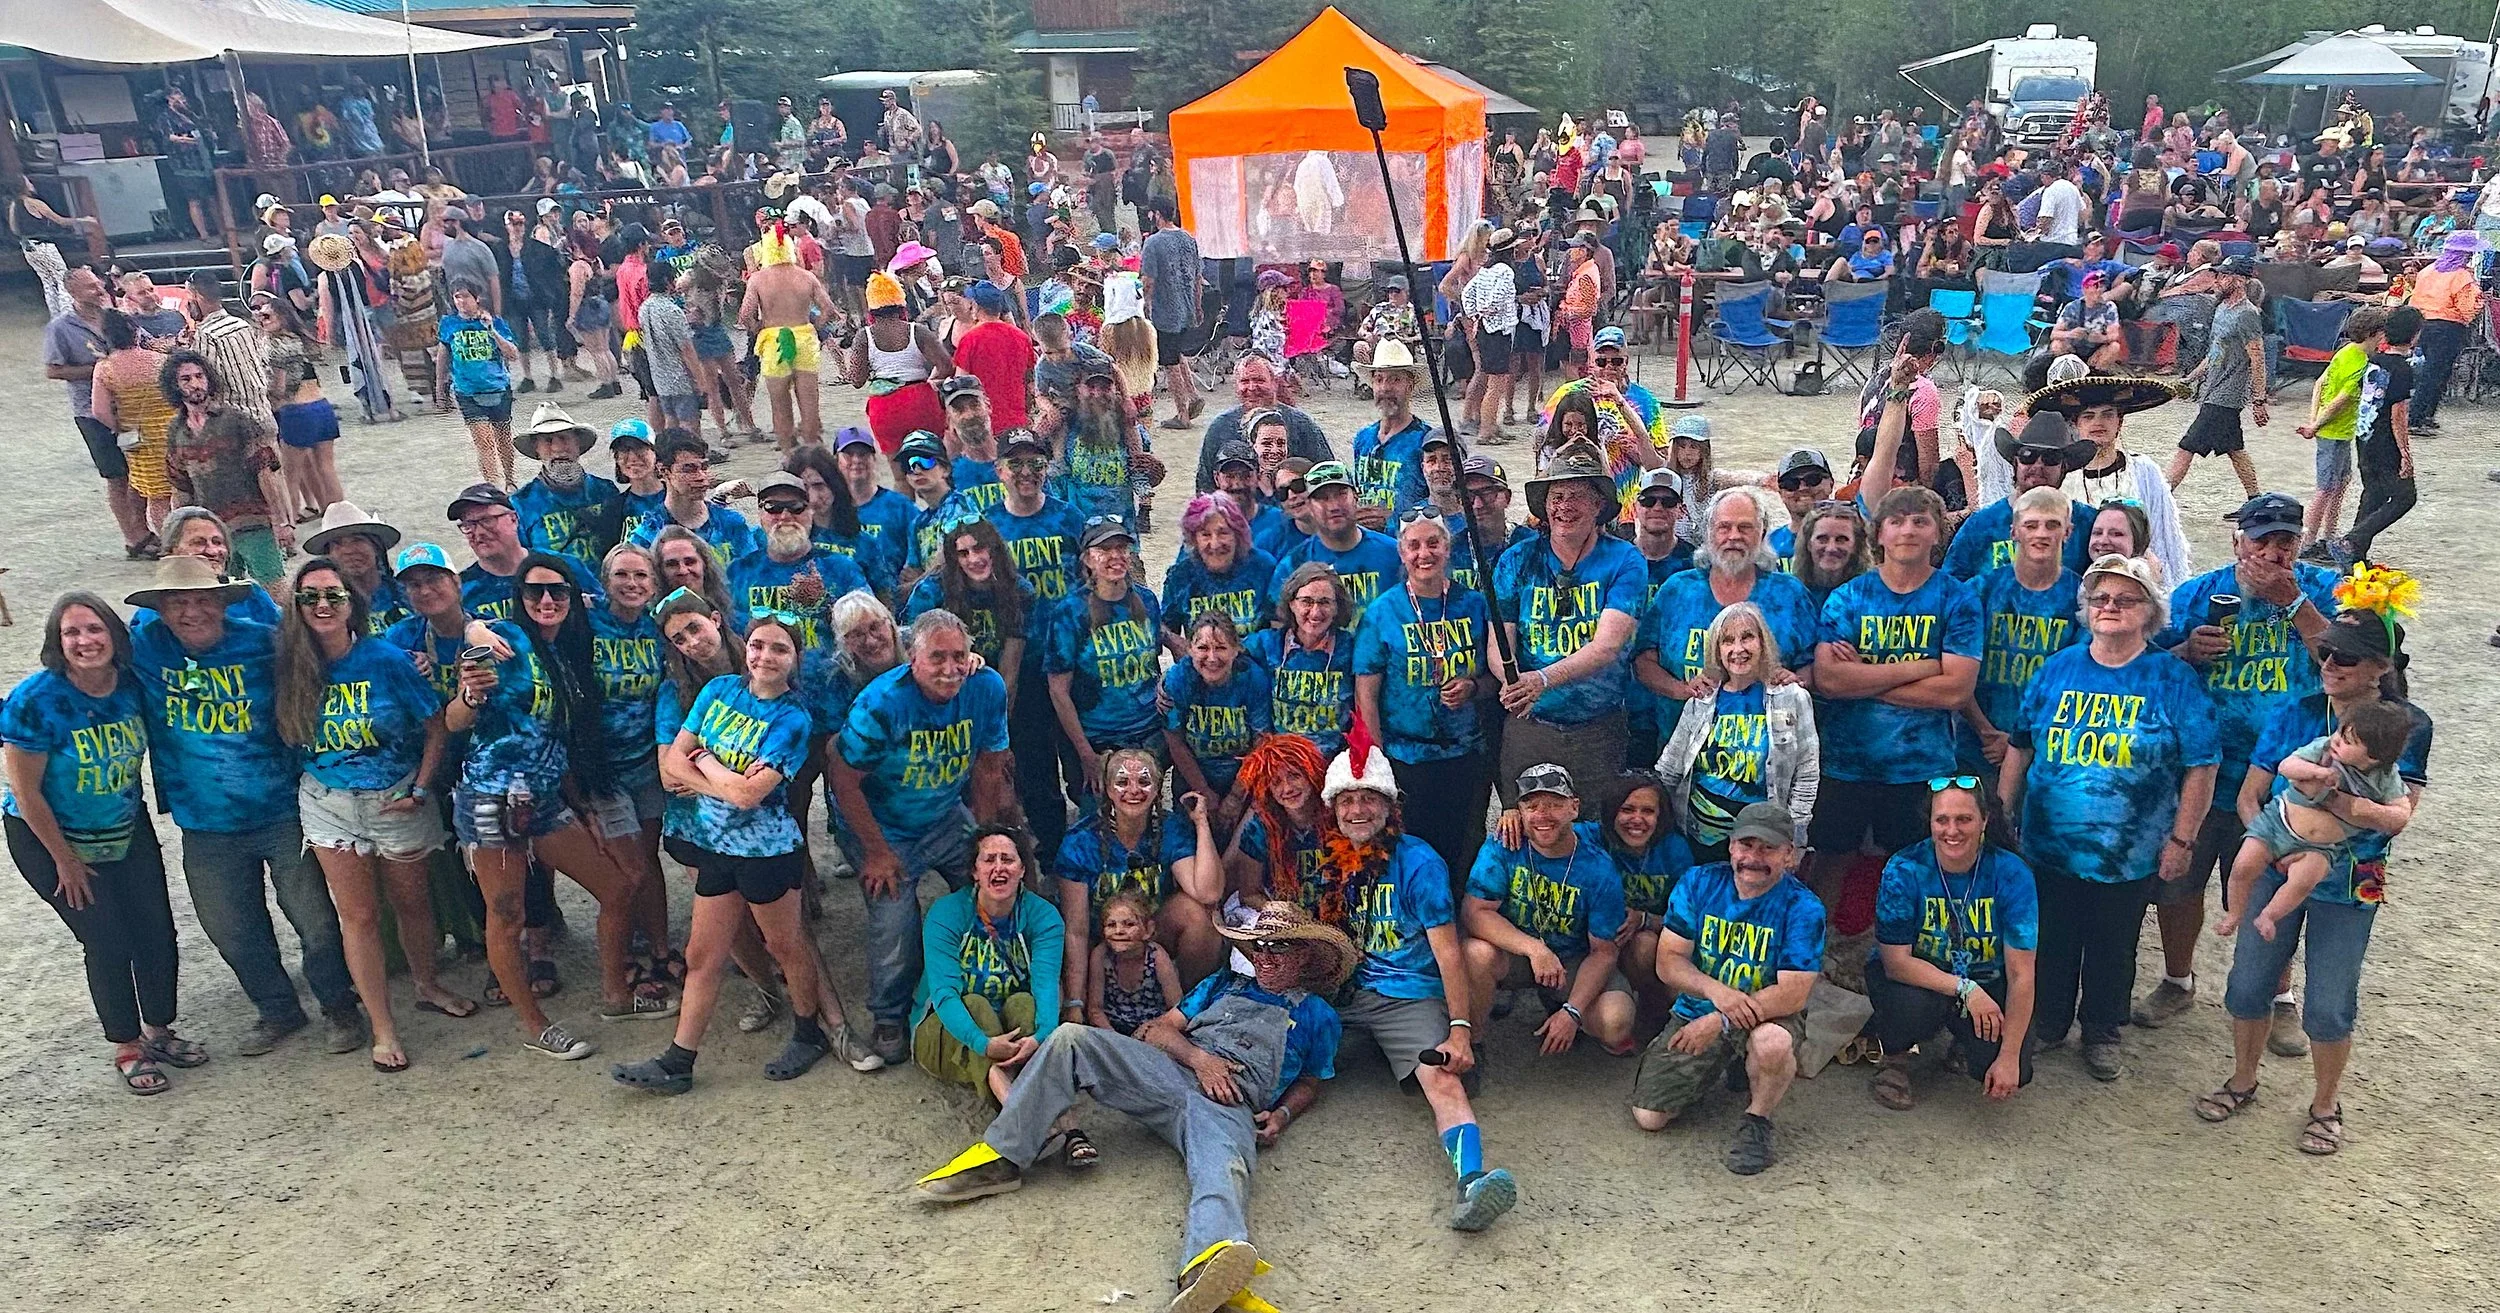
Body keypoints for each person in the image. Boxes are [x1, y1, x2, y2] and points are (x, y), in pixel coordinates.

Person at [915, 901, 1348, 1313]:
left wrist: (1282, 1115)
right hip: (1168, 1071)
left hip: (1230, 1103)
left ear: (1306, 954)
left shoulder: (1319, 1015)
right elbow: (1158, 1031)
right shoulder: (1222, 984)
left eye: (1280, 947)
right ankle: (1003, 1157)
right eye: (1260, 947)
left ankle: (1205, 1265)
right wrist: (1201, 1060)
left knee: (1225, 1168)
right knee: (1071, 1038)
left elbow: (1312, 1079)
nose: (1266, 957)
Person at [2197, 602, 2427, 1155]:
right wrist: (2275, 843)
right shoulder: (2293, 711)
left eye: (2344, 656)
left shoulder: (2408, 725)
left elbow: (2398, 818)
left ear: (2380, 666)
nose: (2328, 662)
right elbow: (2251, 795)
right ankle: (2243, 1079)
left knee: (2329, 999)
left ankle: (2326, 1104)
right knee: (2249, 982)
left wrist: (2327, 799)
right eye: (2325, 650)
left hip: (2353, 879)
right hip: (2280, 865)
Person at [613, 612, 874, 1094]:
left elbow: (751, 796)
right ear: (745, 647)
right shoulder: (718, 693)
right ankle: (678, 1061)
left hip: (767, 852)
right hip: (716, 846)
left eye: (779, 649)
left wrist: (706, 761)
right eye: (758, 645)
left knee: (786, 946)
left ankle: (807, 1031)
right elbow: (672, 764)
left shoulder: (793, 718)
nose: (765, 657)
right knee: (702, 955)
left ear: (794, 659)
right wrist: (722, 779)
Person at [126, 555, 361, 1056]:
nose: (192, 612)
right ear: (160, 611)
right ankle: (278, 1010)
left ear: (220, 601)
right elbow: (82, 662)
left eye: (202, 600)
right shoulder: (144, 648)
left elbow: (335, 660)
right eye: (178, 603)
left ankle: (340, 1006)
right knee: (231, 929)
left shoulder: (264, 642)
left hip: (282, 809)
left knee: (316, 919)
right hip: (204, 822)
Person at [1998, 554, 2217, 1081]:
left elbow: (2201, 766)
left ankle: (2102, 1031)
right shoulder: (2058, 668)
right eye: (2099, 598)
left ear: (2150, 612)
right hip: (2050, 843)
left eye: (2125, 599)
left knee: (2113, 943)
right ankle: (2049, 1022)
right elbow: (2020, 747)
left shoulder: (2172, 677)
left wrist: (2182, 840)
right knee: (2052, 936)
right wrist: (2002, 816)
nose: (2110, 607)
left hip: (2131, 849)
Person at [2137, 493, 2338, 1035]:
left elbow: (2348, 662)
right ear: (2236, 541)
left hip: (2286, 778)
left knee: (2273, 889)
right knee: (2179, 887)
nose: (2273, 552)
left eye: (2285, 540)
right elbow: (2144, 665)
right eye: (2261, 539)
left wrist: (2296, 605)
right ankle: (2177, 981)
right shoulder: (2200, 593)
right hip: (2203, 771)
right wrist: (2185, 654)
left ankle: (2280, 997)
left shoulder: (2323, 589)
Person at [444, 552, 658, 1058]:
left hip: (544, 799)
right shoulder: (507, 643)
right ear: (519, 598)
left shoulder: (565, 653)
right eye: (534, 591)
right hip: (490, 800)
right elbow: (454, 719)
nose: (546, 600)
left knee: (618, 887)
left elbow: (556, 740)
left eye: (557, 591)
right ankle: (532, 1022)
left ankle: (615, 995)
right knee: (506, 912)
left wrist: (579, 805)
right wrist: (471, 692)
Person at [274, 557, 466, 1073]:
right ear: (295, 607)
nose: (322, 606)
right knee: (357, 917)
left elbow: (435, 726)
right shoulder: (287, 664)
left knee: (412, 903)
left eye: (333, 595)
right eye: (310, 596)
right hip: (327, 802)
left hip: (396, 794)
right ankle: (383, 1027)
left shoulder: (386, 660)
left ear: (352, 605)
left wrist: (423, 790)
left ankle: (426, 984)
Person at [3, 593, 198, 1093]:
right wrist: (64, 861)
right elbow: (26, 793)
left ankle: (159, 1028)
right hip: (48, 835)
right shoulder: (35, 701)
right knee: (107, 939)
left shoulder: (133, 686)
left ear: (114, 636)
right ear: (57, 642)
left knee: (156, 930)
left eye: (94, 630)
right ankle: (127, 1044)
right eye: (72, 633)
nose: (85, 641)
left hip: (124, 824)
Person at [828, 608, 1018, 1067]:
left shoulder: (985, 688)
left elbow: (991, 765)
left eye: (959, 656)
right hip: (882, 821)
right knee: (895, 917)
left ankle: (997, 980)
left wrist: (984, 837)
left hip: (944, 813)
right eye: (937, 658)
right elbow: (841, 776)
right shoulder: (882, 703)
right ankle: (889, 1014)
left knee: (997, 882)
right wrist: (875, 851)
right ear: (912, 658)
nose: (950, 669)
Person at [1806, 483, 1981, 906]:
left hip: (1921, 764)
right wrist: (1923, 667)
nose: (1908, 531)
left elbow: (1956, 690)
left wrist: (1865, 678)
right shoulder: (1849, 597)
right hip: (1846, 760)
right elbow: (1829, 681)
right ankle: (1819, 949)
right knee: (1831, 858)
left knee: (1915, 865)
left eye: (1920, 522)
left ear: (1938, 533)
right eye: (1896, 522)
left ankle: (1902, 954)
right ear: (1878, 534)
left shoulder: (1957, 600)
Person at [1629, 801, 1824, 1175]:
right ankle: (1728, 1065)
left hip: (1768, 1015)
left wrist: (1720, 1022)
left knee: (1772, 1044)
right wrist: (1718, 993)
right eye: (1746, 845)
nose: (1754, 857)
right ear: (1731, 847)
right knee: (1649, 1116)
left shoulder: (1803, 907)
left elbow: (1793, 993)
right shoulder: (1699, 882)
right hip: (1698, 1009)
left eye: (1768, 848)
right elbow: (1668, 961)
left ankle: (1757, 1120)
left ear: (1789, 855)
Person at [1866, 777, 2039, 1109]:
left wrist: (2009, 1055)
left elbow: (2022, 974)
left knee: (2017, 1068)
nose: (1952, 830)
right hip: (1918, 981)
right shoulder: (1904, 868)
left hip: (1989, 980)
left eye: (1964, 819)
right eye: (1941, 819)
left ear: (1985, 820)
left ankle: (1964, 1042)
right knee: (1911, 1008)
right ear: (1929, 822)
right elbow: (1895, 962)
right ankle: (1895, 1057)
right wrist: (1965, 989)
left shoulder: (2012, 873)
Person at [1486, 441, 1647, 794]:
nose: (1564, 506)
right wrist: (1512, 681)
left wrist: (1541, 680)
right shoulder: (1515, 560)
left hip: (1599, 727)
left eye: (1576, 495)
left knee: (1595, 830)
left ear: (1598, 505)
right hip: (1531, 724)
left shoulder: (1626, 561)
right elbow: (1500, 640)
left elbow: (1606, 648)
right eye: (1556, 496)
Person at [1354, 510, 1496, 874]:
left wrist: (1472, 687)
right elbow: (1366, 692)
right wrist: (1376, 758)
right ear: (1401, 553)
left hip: (1464, 754)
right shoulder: (1383, 612)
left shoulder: (1475, 604)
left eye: (1433, 544)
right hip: (1406, 756)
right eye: (1414, 546)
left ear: (1447, 550)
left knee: (1463, 848)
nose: (1424, 554)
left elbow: (1497, 677)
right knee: (1408, 849)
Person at [1461, 763, 1634, 1056]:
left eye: (1555, 804)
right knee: (1475, 953)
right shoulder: (1504, 845)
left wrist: (1573, 1012)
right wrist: (1534, 949)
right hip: (1518, 953)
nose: (1543, 815)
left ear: (1574, 808)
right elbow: (1474, 912)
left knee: (1616, 1021)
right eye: (1532, 805)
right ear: (1519, 811)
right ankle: (1472, 1042)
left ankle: (1562, 1008)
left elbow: (1604, 951)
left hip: (1573, 959)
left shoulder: (1598, 867)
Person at [2216, 699, 2412, 943]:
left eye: (2349, 741)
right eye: (2341, 732)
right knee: (2243, 865)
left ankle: (2269, 915)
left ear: (2373, 758)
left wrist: (2365, 808)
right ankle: (2235, 913)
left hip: (2321, 846)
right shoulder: (2324, 747)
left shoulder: (2385, 776)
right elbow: (2287, 766)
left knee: (2303, 882)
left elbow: (2401, 812)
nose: (2338, 740)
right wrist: (2317, 772)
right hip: (2278, 823)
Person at [1054, 746, 1225, 1005]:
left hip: (1149, 935)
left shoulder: (1169, 828)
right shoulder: (1080, 842)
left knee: (1198, 913)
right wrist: (1075, 1002)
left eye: (1144, 782)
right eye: (1122, 782)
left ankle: (1190, 1004)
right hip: (1101, 943)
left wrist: (1201, 822)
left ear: (1157, 789)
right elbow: (1076, 930)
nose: (1133, 790)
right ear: (1109, 790)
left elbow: (1208, 892)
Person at [1653, 601, 1818, 863]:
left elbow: (1806, 774)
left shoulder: (1792, 697)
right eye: (1727, 641)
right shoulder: (1702, 699)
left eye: (1747, 637)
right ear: (1717, 650)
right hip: (1700, 838)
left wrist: (1795, 839)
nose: (1737, 649)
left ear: (1763, 643)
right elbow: (1670, 767)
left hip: (1761, 843)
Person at [2023, 367, 2195, 616]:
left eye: (2107, 415)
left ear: (2119, 422)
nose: (2098, 423)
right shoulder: (2060, 474)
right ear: (2076, 424)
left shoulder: (2143, 471)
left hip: (2134, 585)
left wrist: (2165, 592)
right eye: (2089, 416)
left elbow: (2165, 536)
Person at [1637, 488, 1822, 712]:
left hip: (1769, 739)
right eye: (1724, 527)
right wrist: (1680, 690)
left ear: (1762, 534)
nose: (1734, 536)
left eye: (1745, 528)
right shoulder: (1677, 590)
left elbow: (1813, 662)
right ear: (1708, 534)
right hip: (1684, 737)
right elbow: (1643, 659)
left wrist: (1795, 680)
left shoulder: (1789, 593)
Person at [1963, 486, 2085, 773]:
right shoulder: (1980, 591)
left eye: (2052, 525)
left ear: (2068, 532)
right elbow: (1957, 670)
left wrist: (2022, 743)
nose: (2041, 534)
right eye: (2031, 525)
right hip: (1978, 743)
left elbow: (2077, 681)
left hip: (2047, 748)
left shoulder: (2083, 597)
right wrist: (1986, 733)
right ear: (2014, 531)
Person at [45, 267, 158, 559]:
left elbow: (142, 341)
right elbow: (53, 370)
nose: (99, 290)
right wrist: (102, 369)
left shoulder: (114, 315)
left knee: (140, 473)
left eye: (99, 284)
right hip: (92, 413)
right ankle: (133, 538)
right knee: (116, 475)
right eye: (91, 288)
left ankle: (144, 530)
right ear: (73, 294)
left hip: (130, 409)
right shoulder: (61, 328)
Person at [161, 350, 294, 587]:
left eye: (199, 376)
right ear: (175, 386)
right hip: (213, 532)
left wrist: (281, 521)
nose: (195, 384)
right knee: (222, 592)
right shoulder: (176, 431)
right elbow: (181, 487)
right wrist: (179, 534)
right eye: (186, 379)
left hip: (254, 523)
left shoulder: (235, 421)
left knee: (275, 590)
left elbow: (265, 472)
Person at [1046, 516, 1165, 779]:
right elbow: (1058, 691)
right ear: (1088, 559)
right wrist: (1086, 754)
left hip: (1148, 730)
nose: (1115, 556)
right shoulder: (1069, 613)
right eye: (1104, 550)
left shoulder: (1147, 601)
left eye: (1121, 548)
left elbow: (1152, 665)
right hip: (1097, 735)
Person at [1944, 412, 2098, 579]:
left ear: (2064, 466)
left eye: (2050, 458)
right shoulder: (1981, 524)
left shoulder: (2087, 522)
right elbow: (1950, 586)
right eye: (2028, 455)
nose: (2038, 465)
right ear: (2015, 462)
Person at [725, 472, 871, 648]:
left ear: (810, 512)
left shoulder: (841, 568)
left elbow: (867, 624)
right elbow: (728, 636)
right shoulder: (739, 572)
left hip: (830, 672)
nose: (785, 516)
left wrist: (825, 603)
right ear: (760, 514)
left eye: (796, 507)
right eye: (773, 507)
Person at [2322, 306, 2420, 566]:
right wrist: (2405, 453)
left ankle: (2355, 556)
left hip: (2365, 436)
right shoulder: (2402, 369)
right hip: (2386, 441)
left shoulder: (2375, 362)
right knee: (2405, 496)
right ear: (2413, 336)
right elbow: (2398, 416)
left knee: (2374, 493)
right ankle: (2352, 540)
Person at [2166, 256, 2266, 500]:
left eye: (2223, 275)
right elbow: (2215, 353)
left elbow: (2257, 357)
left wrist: (2259, 399)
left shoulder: (2247, 315)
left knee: (2186, 446)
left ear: (2239, 280)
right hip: (2213, 390)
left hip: (2226, 396)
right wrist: (2191, 379)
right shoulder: (2221, 309)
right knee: (2235, 449)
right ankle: (2255, 499)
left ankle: (2162, 496)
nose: (2217, 281)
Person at [1244, 564, 1357, 762]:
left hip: (1335, 760)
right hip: (1283, 761)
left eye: (1325, 602)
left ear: (1337, 607)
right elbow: (1218, 656)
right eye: (1306, 601)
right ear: (1291, 603)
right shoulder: (1266, 643)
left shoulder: (1351, 647)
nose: (1315, 612)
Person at [741, 224, 838, 448]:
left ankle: (787, 453)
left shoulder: (757, 279)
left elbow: (745, 314)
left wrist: (758, 328)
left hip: (774, 338)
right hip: (803, 335)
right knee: (809, 402)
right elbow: (829, 309)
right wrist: (815, 325)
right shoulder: (806, 277)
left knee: (780, 403)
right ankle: (813, 449)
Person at [1162, 613, 1269, 815]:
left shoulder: (1252, 678)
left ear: (1236, 650)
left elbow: (1261, 741)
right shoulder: (1179, 679)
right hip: (1193, 776)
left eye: (1220, 648)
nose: (1211, 658)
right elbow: (1174, 740)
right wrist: (1204, 791)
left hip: (1244, 778)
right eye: (1202, 648)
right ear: (1190, 649)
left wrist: (1236, 796)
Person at [86, 309, 178, 542]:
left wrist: (119, 427)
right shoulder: (161, 361)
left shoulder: (105, 369)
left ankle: (170, 541)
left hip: (141, 439)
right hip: (174, 433)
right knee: (181, 488)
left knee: (157, 496)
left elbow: (99, 410)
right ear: (136, 332)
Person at [2297, 305, 2380, 550]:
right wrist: (2316, 424)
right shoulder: (2361, 366)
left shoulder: (2345, 352)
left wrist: (2313, 420)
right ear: (2373, 334)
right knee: (2325, 488)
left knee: (2341, 482)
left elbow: (2320, 384)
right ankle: (2308, 542)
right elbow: (2339, 401)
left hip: (2336, 432)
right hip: (2334, 432)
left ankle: (2328, 535)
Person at [1267, 462, 1401, 611]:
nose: (1333, 506)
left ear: (1355, 496)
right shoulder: (1294, 564)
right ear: (1310, 506)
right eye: (1322, 498)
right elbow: (1278, 622)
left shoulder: (1393, 553)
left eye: (1341, 494)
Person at [1193, 356, 1335, 493]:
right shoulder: (1220, 426)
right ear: (1236, 386)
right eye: (1244, 381)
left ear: (1274, 383)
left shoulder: (1302, 424)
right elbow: (1204, 483)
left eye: (1259, 380)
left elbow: (1327, 473)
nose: (1252, 387)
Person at [508, 404, 619, 572]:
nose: (558, 448)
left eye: (564, 438)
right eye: (548, 441)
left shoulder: (605, 491)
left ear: (578, 446)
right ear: (536, 449)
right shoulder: (520, 503)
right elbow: (520, 564)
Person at [1161, 489, 1278, 642]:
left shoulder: (1263, 566)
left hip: (1254, 663)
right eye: (1205, 534)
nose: (1215, 544)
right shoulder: (1181, 575)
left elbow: (1279, 623)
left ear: (1238, 535)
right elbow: (1165, 624)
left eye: (1223, 533)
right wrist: (1177, 644)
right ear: (1194, 540)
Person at [631, 431, 757, 570]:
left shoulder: (731, 523)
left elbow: (754, 575)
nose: (701, 477)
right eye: (689, 469)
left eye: (704, 467)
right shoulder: (648, 535)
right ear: (663, 472)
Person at [2403, 230, 2484, 435]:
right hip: (2448, 327)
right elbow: (2468, 309)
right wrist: (2480, 301)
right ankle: (2416, 419)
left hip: (2422, 324)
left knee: (2434, 372)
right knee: (2436, 374)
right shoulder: (2463, 276)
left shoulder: (2428, 271)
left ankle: (2425, 414)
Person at [1350, 342, 1435, 522]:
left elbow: (1441, 500)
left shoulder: (1426, 440)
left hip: (1410, 540)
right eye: (1379, 379)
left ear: (1409, 386)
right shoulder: (1363, 438)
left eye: (1395, 379)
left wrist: (1394, 517)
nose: (1385, 388)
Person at [1138, 201, 1203, 430]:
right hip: (1186, 307)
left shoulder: (1153, 243)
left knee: (1169, 362)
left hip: (1166, 311)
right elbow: (1197, 277)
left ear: (1157, 214)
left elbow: (1148, 281)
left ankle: (1182, 413)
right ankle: (1193, 395)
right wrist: (1197, 306)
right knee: (1176, 353)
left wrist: (1144, 306)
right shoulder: (1188, 239)